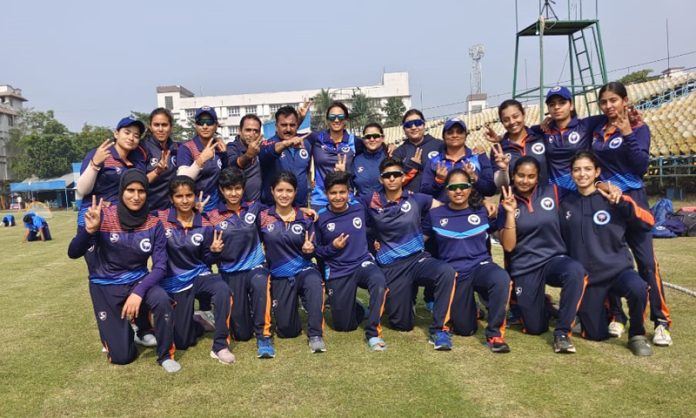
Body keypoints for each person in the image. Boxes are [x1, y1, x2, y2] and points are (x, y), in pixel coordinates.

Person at [67, 169, 180, 372]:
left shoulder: (154, 223)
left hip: (137, 281)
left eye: (141, 191)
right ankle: (124, 331)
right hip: (105, 286)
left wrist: (138, 292)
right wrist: (89, 231)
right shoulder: (103, 217)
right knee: (122, 357)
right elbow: (73, 253)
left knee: (162, 299)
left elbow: (161, 266)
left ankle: (164, 355)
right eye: (130, 190)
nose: (136, 197)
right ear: (121, 191)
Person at [591, 81, 672, 346]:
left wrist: (626, 134)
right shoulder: (597, 128)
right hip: (606, 203)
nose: (608, 106)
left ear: (625, 101)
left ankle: (660, 322)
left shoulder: (638, 128)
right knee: (610, 260)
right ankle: (617, 315)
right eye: (604, 102)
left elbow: (640, 168)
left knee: (646, 263)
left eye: (613, 100)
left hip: (633, 201)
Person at [559, 151, 653, 356]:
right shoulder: (565, 204)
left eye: (587, 169)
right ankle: (601, 311)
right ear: (571, 173)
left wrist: (623, 204)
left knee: (638, 288)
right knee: (594, 334)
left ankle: (637, 334)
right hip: (589, 278)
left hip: (618, 271)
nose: (582, 174)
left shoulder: (613, 197)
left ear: (597, 172)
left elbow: (648, 222)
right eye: (577, 170)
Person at [359, 157, 456, 350]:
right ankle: (397, 301)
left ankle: (439, 331)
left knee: (446, 272)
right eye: (387, 175)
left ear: (403, 177)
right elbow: (348, 213)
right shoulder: (370, 200)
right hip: (392, 266)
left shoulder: (416, 198)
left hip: (417, 259)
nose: (392, 179)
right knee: (402, 325)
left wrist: (426, 232)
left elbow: (447, 208)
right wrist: (372, 242)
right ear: (381, 179)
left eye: (396, 174)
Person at [497, 156, 587, 353]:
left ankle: (562, 333)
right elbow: (509, 247)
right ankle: (544, 304)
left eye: (531, 176)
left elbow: (584, 190)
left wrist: (603, 186)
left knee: (575, 271)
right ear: (513, 175)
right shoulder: (506, 200)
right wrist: (511, 213)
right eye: (520, 175)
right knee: (535, 328)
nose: (525, 180)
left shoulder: (553, 191)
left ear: (538, 177)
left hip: (553, 260)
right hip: (525, 266)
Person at [423, 169, 512, 353]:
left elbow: (502, 237)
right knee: (465, 329)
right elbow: (419, 241)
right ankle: (472, 311)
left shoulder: (483, 210)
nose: (458, 191)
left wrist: (507, 213)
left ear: (470, 188)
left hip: (480, 266)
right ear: (447, 190)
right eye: (453, 187)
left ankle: (494, 334)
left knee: (501, 278)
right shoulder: (435, 214)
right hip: (456, 272)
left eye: (463, 186)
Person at [156, 176, 235, 364]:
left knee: (223, 289)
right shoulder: (160, 219)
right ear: (171, 198)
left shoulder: (206, 223)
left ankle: (220, 346)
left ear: (195, 197)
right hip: (174, 282)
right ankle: (198, 322)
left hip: (199, 275)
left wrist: (214, 252)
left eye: (189, 195)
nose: (184, 200)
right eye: (179, 196)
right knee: (183, 341)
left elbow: (206, 259)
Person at [206, 167, 275, 358]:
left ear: (243, 188)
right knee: (242, 334)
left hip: (255, 266)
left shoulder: (254, 207)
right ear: (221, 190)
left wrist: (302, 210)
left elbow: (279, 212)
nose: (233, 193)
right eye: (228, 189)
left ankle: (264, 336)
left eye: (237, 188)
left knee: (261, 281)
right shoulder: (212, 216)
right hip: (230, 272)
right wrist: (214, 251)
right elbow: (207, 256)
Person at [315, 171, 388, 351]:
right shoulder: (320, 217)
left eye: (342, 192)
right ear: (326, 194)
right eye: (333, 193)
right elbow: (317, 251)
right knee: (344, 326)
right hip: (338, 270)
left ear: (349, 192)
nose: (338, 197)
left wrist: (377, 241)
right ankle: (357, 308)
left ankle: (373, 334)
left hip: (362, 262)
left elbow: (377, 222)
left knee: (378, 281)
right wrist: (333, 247)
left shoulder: (359, 206)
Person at [258, 171, 327, 353]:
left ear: (296, 192)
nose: (284, 195)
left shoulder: (305, 218)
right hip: (280, 275)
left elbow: (316, 247)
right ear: (272, 191)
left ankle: (315, 335)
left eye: (289, 190)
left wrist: (310, 249)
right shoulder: (263, 217)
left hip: (303, 269)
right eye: (280, 190)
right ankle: (291, 309)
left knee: (313, 281)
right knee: (287, 331)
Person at [75, 116, 147, 226]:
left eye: (136, 135)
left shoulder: (138, 160)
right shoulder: (101, 153)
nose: (131, 138)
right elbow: (82, 190)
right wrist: (94, 164)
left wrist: (158, 171)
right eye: (127, 133)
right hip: (94, 214)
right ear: (116, 134)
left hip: (121, 217)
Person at [421, 118, 496, 201]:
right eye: (450, 132)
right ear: (443, 136)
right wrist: (439, 181)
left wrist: (474, 178)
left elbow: (490, 190)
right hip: (443, 212)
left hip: (473, 212)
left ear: (466, 135)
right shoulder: (434, 161)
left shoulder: (478, 157)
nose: (455, 135)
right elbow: (424, 193)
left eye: (459, 132)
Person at [306, 101, 363, 209]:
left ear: (345, 120)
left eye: (340, 117)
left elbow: (374, 148)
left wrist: (390, 147)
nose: (336, 120)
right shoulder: (316, 138)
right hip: (320, 200)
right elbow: (293, 137)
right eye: (332, 117)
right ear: (327, 120)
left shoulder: (354, 141)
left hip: (346, 199)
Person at [176, 106, 229, 212]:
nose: (205, 126)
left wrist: (224, 154)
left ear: (216, 125)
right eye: (201, 122)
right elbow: (181, 180)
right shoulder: (187, 148)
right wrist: (201, 160)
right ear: (196, 125)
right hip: (194, 208)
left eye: (209, 122)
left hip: (217, 207)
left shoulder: (219, 147)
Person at [487, 99, 549, 188]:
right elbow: (500, 185)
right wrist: (504, 169)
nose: (512, 122)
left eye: (515, 116)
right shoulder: (498, 150)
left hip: (543, 198)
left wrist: (552, 120)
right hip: (514, 201)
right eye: (506, 120)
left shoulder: (540, 136)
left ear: (523, 114)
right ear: (502, 122)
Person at [259, 107, 312, 207]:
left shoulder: (306, 144)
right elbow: (267, 153)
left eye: (292, 125)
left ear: (297, 125)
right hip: (273, 209)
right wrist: (286, 144)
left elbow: (306, 171)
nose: (288, 129)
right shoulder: (267, 144)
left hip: (300, 208)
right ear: (276, 126)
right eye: (284, 125)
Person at [392, 109, 443, 192]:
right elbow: (393, 181)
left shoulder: (439, 145)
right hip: (411, 201)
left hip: (436, 199)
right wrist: (411, 167)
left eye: (417, 123)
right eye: (408, 125)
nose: (413, 127)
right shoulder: (399, 152)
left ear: (424, 125)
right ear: (404, 129)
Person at [141, 108, 179, 211]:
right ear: (150, 127)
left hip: (171, 211)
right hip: (149, 210)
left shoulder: (177, 147)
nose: (160, 129)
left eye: (164, 125)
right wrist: (157, 171)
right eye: (156, 125)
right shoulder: (142, 148)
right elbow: (137, 183)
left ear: (171, 127)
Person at [227, 114, 264, 202]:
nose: (252, 134)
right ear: (240, 131)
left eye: (256, 131)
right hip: (238, 205)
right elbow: (233, 165)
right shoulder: (231, 147)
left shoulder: (261, 147)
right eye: (248, 130)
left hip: (258, 205)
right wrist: (248, 155)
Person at [351, 123, 389, 198]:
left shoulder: (390, 156)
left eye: (376, 136)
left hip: (386, 206)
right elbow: (350, 187)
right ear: (363, 139)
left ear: (382, 138)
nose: (372, 139)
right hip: (362, 206)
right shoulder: (356, 160)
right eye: (368, 137)